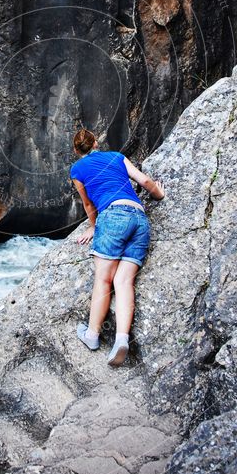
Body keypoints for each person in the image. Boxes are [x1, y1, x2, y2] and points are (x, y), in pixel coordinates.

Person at [70, 128, 165, 366]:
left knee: (103, 280)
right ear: (95, 143)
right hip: (139, 218)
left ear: (76, 150)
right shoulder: (116, 157)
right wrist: (159, 194)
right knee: (123, 281)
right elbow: (143, 180)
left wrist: (93, 226)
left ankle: (92, 335)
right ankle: (121, 339)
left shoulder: (77, 170)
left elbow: (89, 204)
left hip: (113, 217)